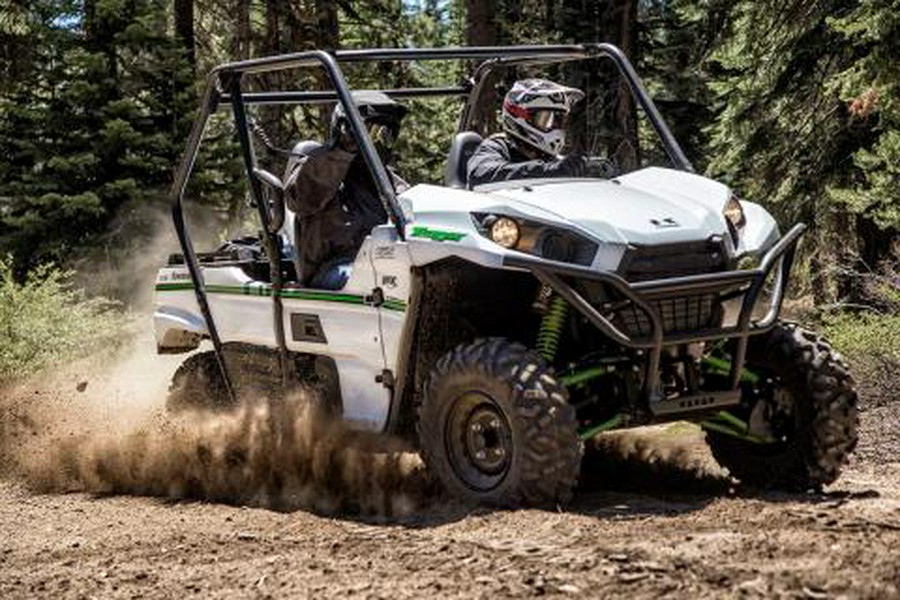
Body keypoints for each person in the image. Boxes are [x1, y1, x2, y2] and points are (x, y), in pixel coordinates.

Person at [284, 91, 407, 289]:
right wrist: (343, 151)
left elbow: (412, 211)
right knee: (375, 282)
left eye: (388, 135)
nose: (381, 143)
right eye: (374, 132)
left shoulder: (387, 179)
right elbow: (300, 199)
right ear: (345, 130)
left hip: (384, 263)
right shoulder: (321, 167)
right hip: (335, 267)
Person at [467, 78, 588, 187]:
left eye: (560, 120)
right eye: (546, 119)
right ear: (521, 116)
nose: (556, 128)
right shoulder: (495, 147)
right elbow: (480, 175)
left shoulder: (549, 159)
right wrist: (549, 171)